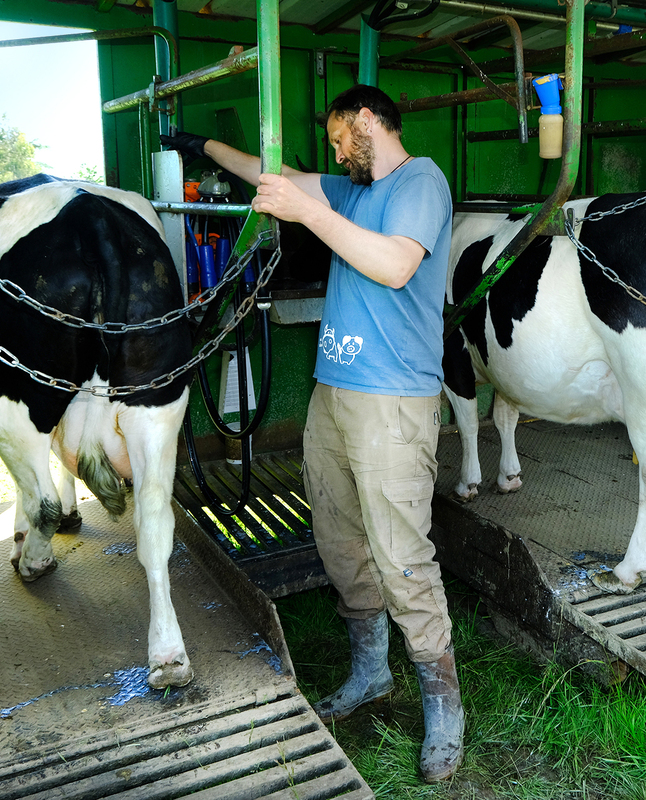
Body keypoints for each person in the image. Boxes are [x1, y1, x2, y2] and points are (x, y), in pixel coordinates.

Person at [161, 84, 461, 783]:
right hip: (336, 393)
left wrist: (305, 213)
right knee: (338, 536)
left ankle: (444, 706)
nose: (331, 153)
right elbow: (274, 177)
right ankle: (370, 672)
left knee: (402, 556)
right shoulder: (347, 188)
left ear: (366, 122)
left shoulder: (422, 181)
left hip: (394, 400)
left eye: (335, 138)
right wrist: (201, 147)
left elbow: (393, 264)